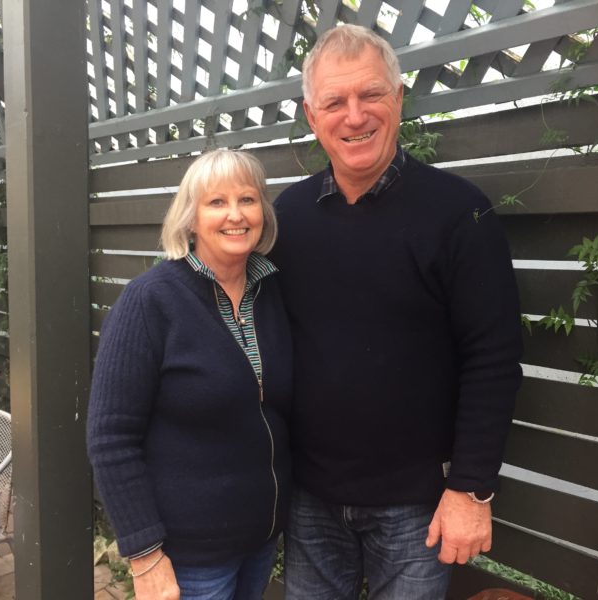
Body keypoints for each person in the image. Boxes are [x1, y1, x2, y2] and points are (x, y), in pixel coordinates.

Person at [269, 24, 523, 599]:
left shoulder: (459, 214)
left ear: (399, 98)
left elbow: (494, 358)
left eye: (371, 94)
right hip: (310, 499)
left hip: (418, 505)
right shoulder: (288, 218)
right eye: (335, 102)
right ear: (312, 116)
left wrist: (471, 488)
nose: (354, 116)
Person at [87, 149, 292, 600]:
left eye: (247, 199)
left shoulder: (270, 292)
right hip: (190, 557)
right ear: (191, 218)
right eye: (217, 202)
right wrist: (144, 556)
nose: (235, 215)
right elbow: (110, 437)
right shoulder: (151, 301)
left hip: (259, 541)